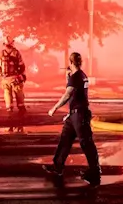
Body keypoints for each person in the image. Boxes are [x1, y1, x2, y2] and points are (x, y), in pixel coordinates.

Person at [43, 52, 101, 186]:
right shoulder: (82, 75)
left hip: (79, 114)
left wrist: (54, 108)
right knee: (65, 139)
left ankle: (95, 171)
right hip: (75, 114)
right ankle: (57, 166)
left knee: (86, 143)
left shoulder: (75, 77)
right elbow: (76, 94)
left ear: (70, 63)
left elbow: (67, 94)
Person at [0, 36, 26, 112]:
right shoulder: (16, 52)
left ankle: (9, 107)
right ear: (12, 43)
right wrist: (22, 74)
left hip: (5, 78)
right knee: (18, 91)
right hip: (15, 77)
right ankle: (21, 106)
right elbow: (21, 65)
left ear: (4, 44)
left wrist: (1, 74)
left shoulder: (0, 54)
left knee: (7, 92)